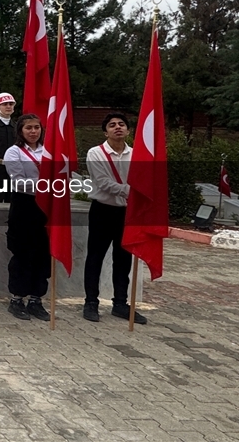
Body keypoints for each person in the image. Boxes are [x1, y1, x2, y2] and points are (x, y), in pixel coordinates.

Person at [84, 112, 146, 324]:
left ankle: (120, 303)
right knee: (95, 258)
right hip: (103, 210)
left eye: (121, 124)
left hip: (127, 213)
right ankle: (91, 302)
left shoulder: (137, 154)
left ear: (128, 130)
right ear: (105, 131)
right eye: (112, 125)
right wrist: (132, 191)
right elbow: (103, 183)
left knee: (123, 259)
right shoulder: (96, 153)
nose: (117, 127)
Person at [3, 113, 51, 321]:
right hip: (24, 204)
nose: (33, 131)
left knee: (42, 253)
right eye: (28, 128)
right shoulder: (14, 152)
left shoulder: (48, 151)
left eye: (37, 128)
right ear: (20, 131)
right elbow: (19, 181)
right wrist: (46, 184)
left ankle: (36, 299)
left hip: (46, 206)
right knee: (22, 253)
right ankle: (17, 298)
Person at [0, 93, 17, 203]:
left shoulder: (17, 127)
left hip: (14, 170)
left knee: (12, 200)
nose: (8, 107)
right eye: (5, 104)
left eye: (11, 104)